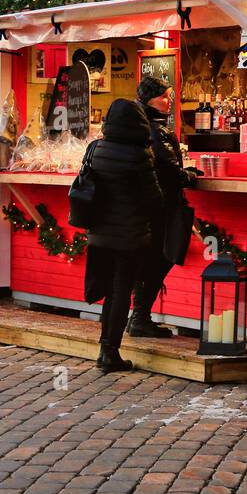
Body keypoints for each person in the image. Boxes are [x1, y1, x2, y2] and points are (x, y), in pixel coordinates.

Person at [82, 97, 165, 371]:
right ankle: (109, 352)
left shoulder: (95, 149)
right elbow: (154, 200)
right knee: (120, 292)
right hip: (128, 236)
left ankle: (105, 348)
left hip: (99, 233)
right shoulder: (139, 155)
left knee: (109, 292)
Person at [127, 75, 199, 338]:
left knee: (149, 260)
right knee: (159, 259)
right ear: (149, 99)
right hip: (161, 205)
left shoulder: (139, 125)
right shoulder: (155, 130)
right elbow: (168, 169)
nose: (169, 101)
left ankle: (138, 316)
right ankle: (140, 317)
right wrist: (188, 176)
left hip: (145, 204)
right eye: (164, 96)